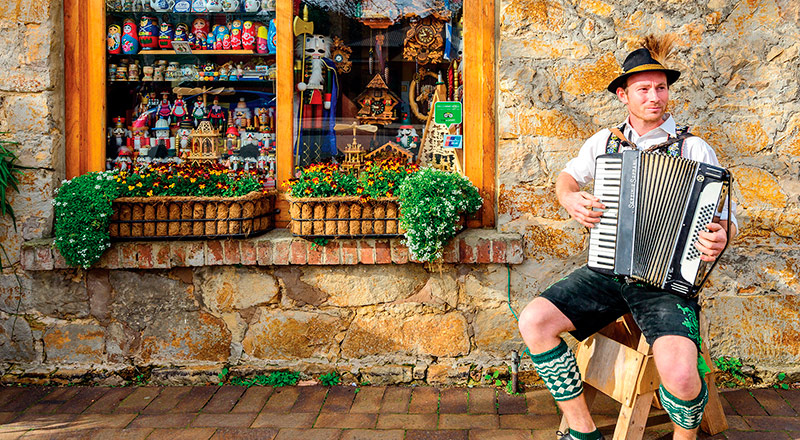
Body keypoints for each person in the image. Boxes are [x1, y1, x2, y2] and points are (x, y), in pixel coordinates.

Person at [517, 35, 737, 440]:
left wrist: (721, 236)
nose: (655, 97)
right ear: (623, 95)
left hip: (668, 284)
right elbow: (567, 178)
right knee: (535, 320)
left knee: (683, 377)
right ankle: (583, 432)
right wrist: (569, 198)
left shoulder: (695, 148)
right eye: (644, 89)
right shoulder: (604, 142)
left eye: (661, 88)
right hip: (607, 271)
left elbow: (726, 220)